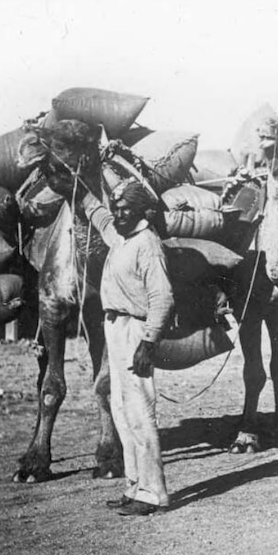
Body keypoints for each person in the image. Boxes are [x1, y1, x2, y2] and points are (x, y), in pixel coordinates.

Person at [75, 177, 175, 515]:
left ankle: (154, 494)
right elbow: (100, 217)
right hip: (114, 328)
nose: (118, 214)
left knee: (140, 413)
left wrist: (149, 342)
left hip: (136, 331)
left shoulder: (148, 243)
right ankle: (134, 486)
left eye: (125, 209)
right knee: (119, 409)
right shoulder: (121, 237)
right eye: (116, 208)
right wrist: (80, 190)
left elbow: (162, 297)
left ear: (141, 211)